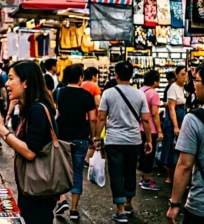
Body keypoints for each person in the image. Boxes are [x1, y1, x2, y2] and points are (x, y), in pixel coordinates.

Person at [0, 61, 58, 223]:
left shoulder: (37, 109)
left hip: (38, 189)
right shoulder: (31, 108)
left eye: (11, 78)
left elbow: (29, 152)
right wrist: (1, 129)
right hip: (32, 187)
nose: (7, 83)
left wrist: (1, 131)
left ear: (26, 82)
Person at [96, 61, 152, 223]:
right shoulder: (139, 94)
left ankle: (120, 211)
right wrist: (148, 140)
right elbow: (146, 120)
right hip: (134, 140)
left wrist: (95, 137)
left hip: (114, 140)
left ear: (116, 75)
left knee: (116, 173)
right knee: (129, 172)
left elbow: (101, 117)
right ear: (132, 75)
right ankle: (128, 203)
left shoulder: (108, 93)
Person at [53, 65, 96, 221]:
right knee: (77, 172)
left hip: (61, 138)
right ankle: (74, 209)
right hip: (81, 137)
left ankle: (62, 199)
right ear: (80, 78)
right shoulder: (87, 95)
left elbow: (52, 114)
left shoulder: (58, 93)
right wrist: (93, 137)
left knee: (60, 170)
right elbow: (92, 119)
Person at [166, 62, 204, 224]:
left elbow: (184, 165)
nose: (194, 85)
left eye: (197, 80)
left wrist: (174, 204)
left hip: (201, 206)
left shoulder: (195, 119)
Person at [136, 70, 163, 191]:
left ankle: (143, 177)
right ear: (155, 81)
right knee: (149, 154)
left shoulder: (140, 91)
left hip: (138, 128)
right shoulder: (154, 94)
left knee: (142, 154)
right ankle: (146, 179)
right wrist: (160, 130)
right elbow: (155, 114)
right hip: (150, 129)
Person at [161, 66, 187, 184]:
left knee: (177, 148)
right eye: (182, 74)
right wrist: (176, 126)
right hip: (173, 122)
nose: (184, 77)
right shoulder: (173, 88)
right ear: (176, 75)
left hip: (181, 119)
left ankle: (176, 176)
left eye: (185, 74)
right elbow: (171, 108)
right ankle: (170, 176)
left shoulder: (183, 88)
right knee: (171, 148)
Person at [82, 67, 102, 165]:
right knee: (93, 139)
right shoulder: (94, 87)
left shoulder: (81, 84)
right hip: (92, 116)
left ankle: (83, 157)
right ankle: (87, 158)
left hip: (82, 116)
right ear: (94, 76)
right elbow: (98, 103)